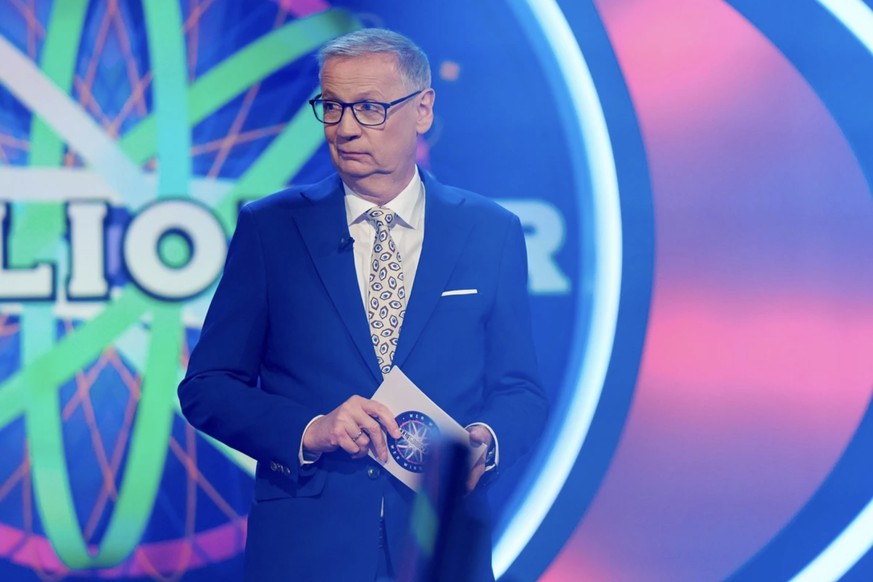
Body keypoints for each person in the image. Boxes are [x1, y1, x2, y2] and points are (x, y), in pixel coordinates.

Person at [178, 28, 548, 581]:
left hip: (439, 546)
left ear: (423, 109)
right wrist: (310, 428)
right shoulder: (271, 229)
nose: (346, 128)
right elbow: (207, 387)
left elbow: (521, 390)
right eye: (332, 107)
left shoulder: (490, 231)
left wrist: (485, 443)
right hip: (306, 551)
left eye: (370, 108)